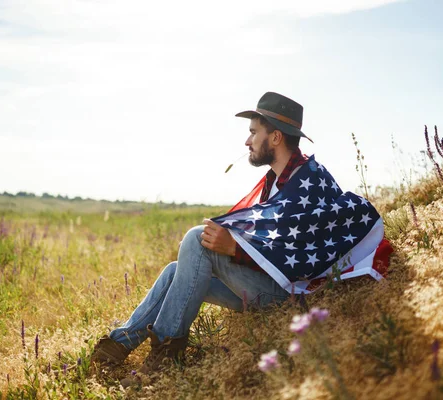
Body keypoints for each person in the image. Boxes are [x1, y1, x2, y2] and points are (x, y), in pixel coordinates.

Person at [90, 92, 389, 387]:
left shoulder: (309, 179)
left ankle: (164, 358)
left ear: (275, 138)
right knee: (174, 269)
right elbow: (269, 233)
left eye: (253, 132)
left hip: (290, 293)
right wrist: (233, 247)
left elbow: (300, 249)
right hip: (265, 284)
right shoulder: (276, 180)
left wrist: (234, 249)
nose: (247, 141)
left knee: (196, 239)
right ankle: (115, 347)